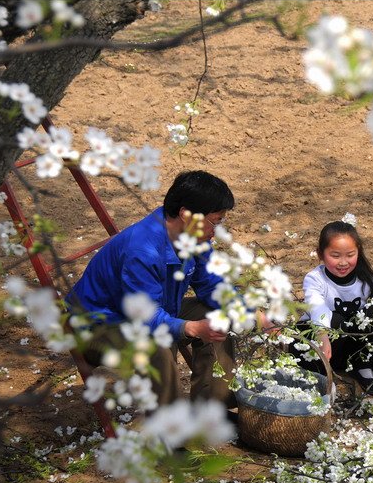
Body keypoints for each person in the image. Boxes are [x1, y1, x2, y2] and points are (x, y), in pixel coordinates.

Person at [67, 170, 271, 411]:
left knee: (217, 317)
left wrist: (252, 315)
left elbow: (212, 286)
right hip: (98, 327)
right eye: (215, 221)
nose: (216, 230)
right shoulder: (142, 250)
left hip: (156, 309)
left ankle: (211, 411)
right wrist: (192, 327)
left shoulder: (194, 239)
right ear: (186, 215)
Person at [292, 221, 373, 395]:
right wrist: (323, 336)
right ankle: (320, 373)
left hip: (353, 347)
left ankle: (363, 366)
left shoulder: (368, 281)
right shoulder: (315, 279)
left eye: (350, 255)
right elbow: (317, 308)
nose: (343, 262)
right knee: (336, 321)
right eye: (335, 256)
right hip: (324, 344)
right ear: (320, 253)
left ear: (358, 251)